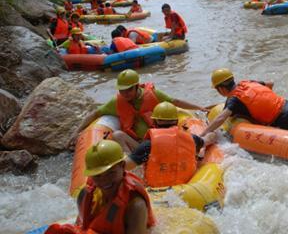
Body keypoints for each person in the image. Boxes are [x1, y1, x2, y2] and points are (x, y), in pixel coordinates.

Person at [71, 70, 209, 152]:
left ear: (137, 86)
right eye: (122, 90)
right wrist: (76, 132)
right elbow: (94, 114)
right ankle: (132, 165)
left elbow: (175, 102)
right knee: (118, 135)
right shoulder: (117, 102)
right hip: (138, 145)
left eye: (129, 89)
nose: (125, 94)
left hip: (159, 139)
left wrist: (199, 108)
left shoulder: (154, 94)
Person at [45, 140, 155, 234]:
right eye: (97, 176)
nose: (104, 180)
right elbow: (81, 226)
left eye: (111, 173)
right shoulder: (84, 195)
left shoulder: (136, 206)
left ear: (122, 166)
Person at [125, 102, 217, 187]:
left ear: (154, 122)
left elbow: (124, 167)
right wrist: (214, 133)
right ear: (177, 121)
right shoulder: (192, 139)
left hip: (157, 192)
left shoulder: (148, 146)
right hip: (187, 188)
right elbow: (209, 139)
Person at [201, 68, 288, 136]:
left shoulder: (235, 100)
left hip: (285, 120)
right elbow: (270, 84)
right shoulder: (247, 82)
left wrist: (203, 133)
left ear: (221, 89)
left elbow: (221, 118)